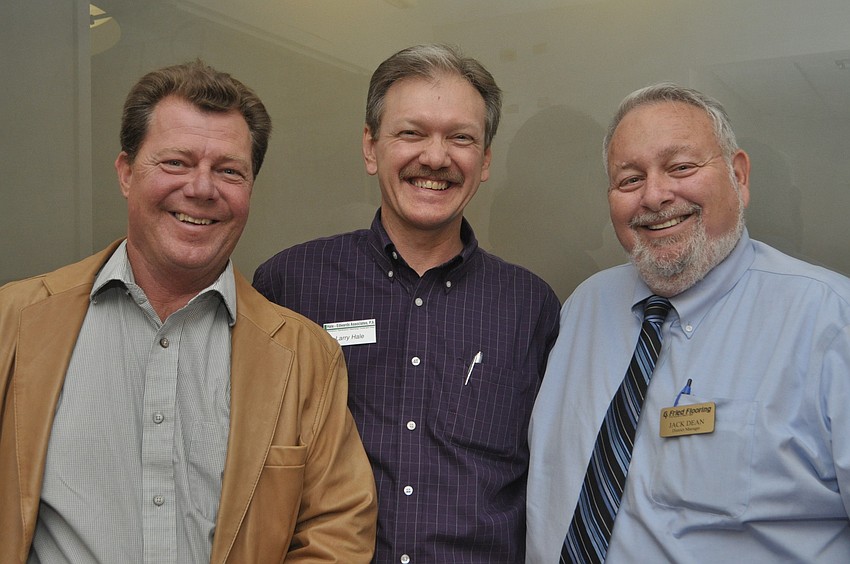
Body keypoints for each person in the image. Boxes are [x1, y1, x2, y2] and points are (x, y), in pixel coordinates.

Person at [0, 60, 376, 563]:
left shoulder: (306, 359)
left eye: (229, 170)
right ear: (126, 173)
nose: (201, 188)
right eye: (176, 163)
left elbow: (336, 533)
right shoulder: (14, 324)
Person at [253, 44, 561, 563]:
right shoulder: (292, 285)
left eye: (460, 137)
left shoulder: (529, 307)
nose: (436, 157)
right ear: (371, 148)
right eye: (411, 133)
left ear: (484, 161)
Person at [526, 82, 850, 562]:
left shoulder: (829, 320)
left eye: (681, 167)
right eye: (630, 179)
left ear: (738, 176)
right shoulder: (583, 310)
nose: (655, 196)